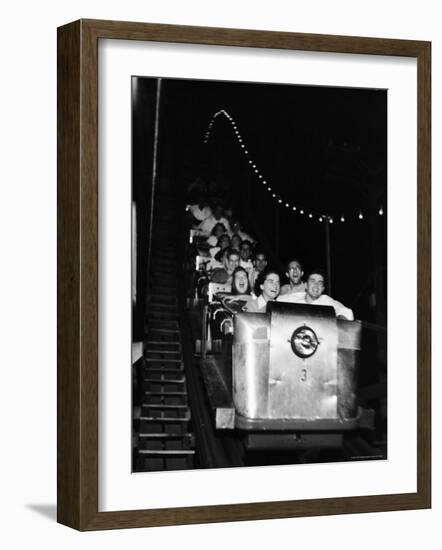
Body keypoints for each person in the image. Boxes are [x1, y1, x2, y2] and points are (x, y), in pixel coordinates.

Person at [278, 269, 354, 320]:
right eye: (313, 281)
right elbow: (277, 301)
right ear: (306, 285)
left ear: (323, 288)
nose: (316, 285)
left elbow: (347, 312)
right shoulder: (296, 298)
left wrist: (340, 319)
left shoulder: (326, 301)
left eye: (320, 282)